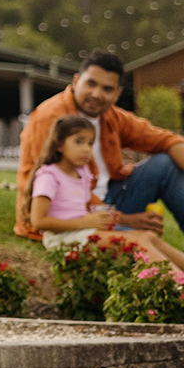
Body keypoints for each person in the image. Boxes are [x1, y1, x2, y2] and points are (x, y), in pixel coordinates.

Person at [16, 51, 184, 251]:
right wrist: (126, 220)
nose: (97, 94)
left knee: (164, 164)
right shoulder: (50, 119)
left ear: (117, 93)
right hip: (70, 215)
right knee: (142, 243)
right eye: (91, 84)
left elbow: (166, 140)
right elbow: (62, 190)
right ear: (76, 80)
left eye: (107, 88)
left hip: (110, 200)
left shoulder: (111, 115)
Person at [28, 114, 184, 268]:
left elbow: (79, 208)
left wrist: (102, 218)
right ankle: (178, 287)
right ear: (59, 144)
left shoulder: (82, 174)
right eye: (79, 142)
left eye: (90, 143)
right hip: (62, 239)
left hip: (83, 231)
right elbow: (38, 221)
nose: (86, 149)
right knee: (138, 242)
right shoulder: (48, 176)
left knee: (148, 236)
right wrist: (83, 222)